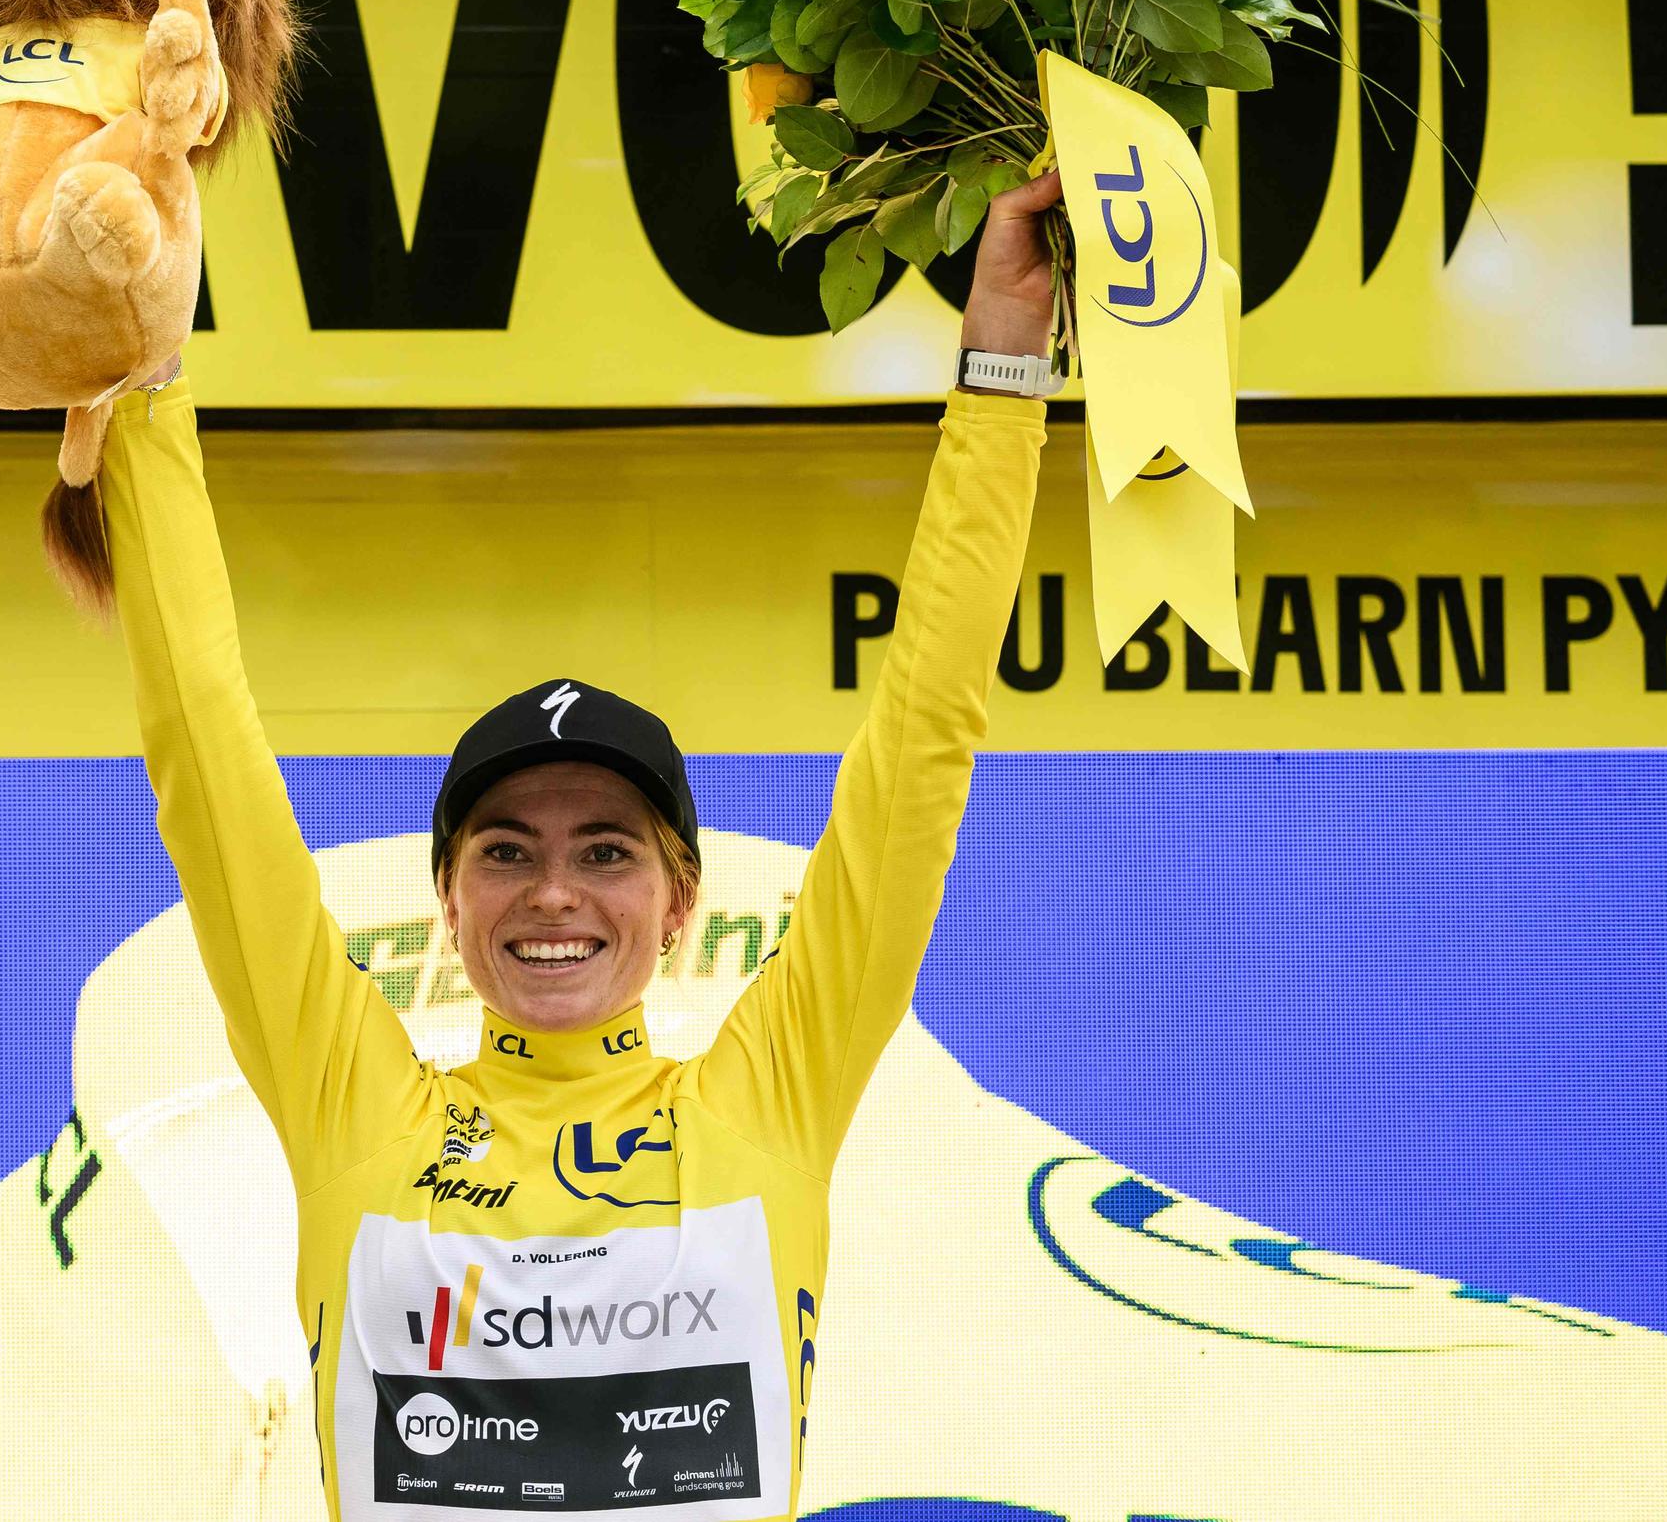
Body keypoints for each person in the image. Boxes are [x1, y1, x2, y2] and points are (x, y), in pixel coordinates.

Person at [96, 170, 1064, 1521]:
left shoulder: (765, 1101)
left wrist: (1008, 371)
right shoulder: (357, 1111)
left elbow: (922, 742)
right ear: (447, 899)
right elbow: (205, 755)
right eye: (505, 850)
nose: (554, 889)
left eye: (607, 851)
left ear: (680, 903)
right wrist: (136, 388)